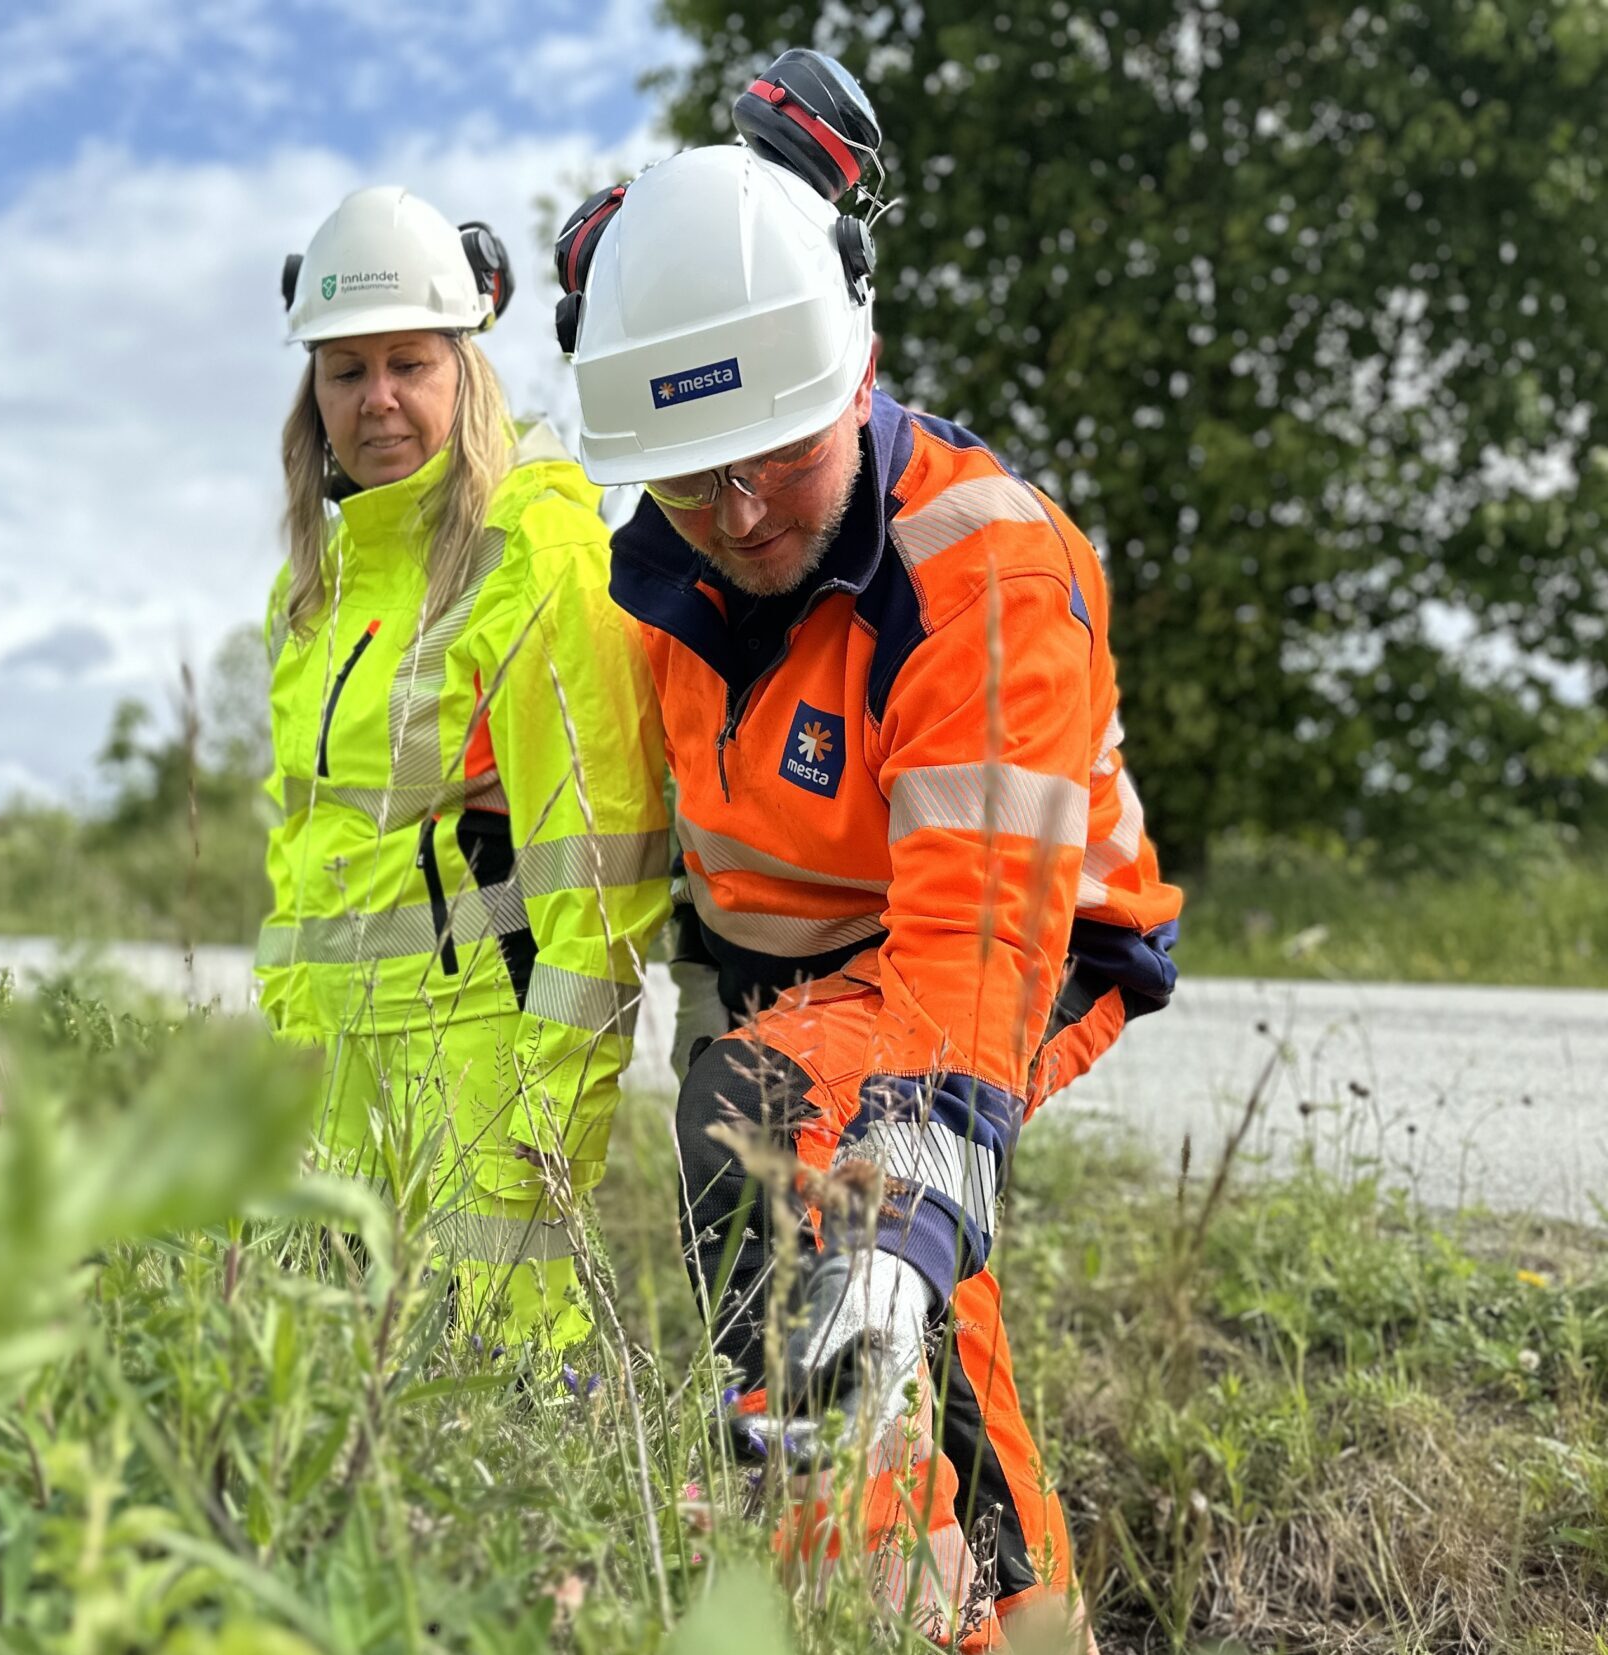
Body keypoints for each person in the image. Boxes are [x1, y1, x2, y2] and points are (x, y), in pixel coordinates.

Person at [551, 52, 1184, 1648]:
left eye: (776, 454)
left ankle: (944, 1609)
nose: (743, 512)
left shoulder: (983, 573)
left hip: (1006, 941)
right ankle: (947, 1590)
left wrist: (911, 1213)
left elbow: (973, 951)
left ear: (859, 369)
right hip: (785, 969)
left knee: (839, 1202)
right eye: (692, 480)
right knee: (803, 1262)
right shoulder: (659, 588)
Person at [254, 185, 669, 1351]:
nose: (376, 397)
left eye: (407, 363)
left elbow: (606, 856)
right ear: (313, 390)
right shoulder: (310, 594)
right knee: (326, 1396)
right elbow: (300, 849)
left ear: (464, 367)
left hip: (482, 1059)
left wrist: (554, 1099)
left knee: (510, 1391)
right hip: (329, 1070)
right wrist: (286, 1041)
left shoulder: (535, 548)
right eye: (345, 370)